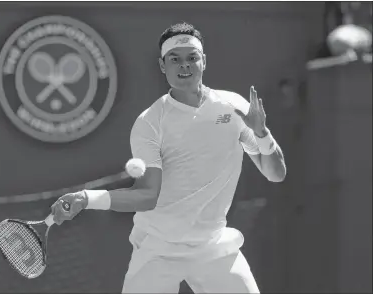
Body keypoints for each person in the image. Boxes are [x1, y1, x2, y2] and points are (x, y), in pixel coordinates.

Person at [50, 22, 286, 294]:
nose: (184, 65)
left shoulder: (235, 108)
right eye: (174, 59)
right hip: (158, 249)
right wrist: (86, 198)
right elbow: (148, 196)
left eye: (192, 58)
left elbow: (275, 173)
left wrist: (262, 133)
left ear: (204, 61)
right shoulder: (150, 122)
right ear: (162, 65)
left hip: (213, 247)